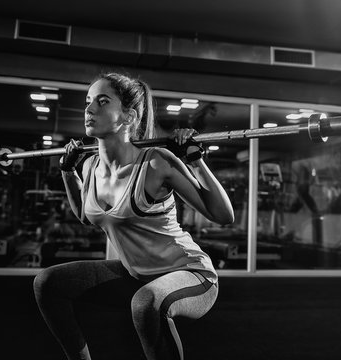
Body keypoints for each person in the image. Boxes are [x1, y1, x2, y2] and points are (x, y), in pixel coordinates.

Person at [33, 72, 234, 360]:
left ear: (129, 117)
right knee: (48, 283)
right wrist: (68, 172)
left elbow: (222, 215)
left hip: (190, 274)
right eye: (89, 101)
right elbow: (85, 216)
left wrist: (195, 159)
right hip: (136, 275)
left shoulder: (155, 162)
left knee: (146, 303)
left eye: (102, 102)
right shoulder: (89, 166)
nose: (89, 109)